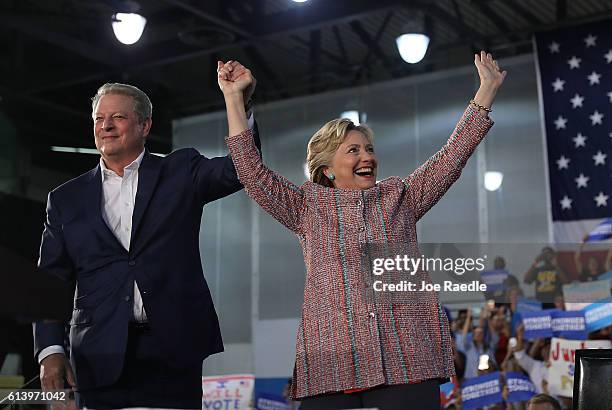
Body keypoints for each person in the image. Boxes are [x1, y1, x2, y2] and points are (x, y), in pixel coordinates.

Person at [218, 51, 506, 409]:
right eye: (352, 150)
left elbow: (452, 155)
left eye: (368, 148)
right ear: (327, 169)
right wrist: (234, 99)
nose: (366, 156)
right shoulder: (306, 207)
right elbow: (251, 172)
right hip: (331, 364)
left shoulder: (401, 197)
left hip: (406, 361)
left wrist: (487, 91)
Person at [33, 80, 259, 409]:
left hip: (173, 348)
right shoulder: (65, 199)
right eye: (99, 118)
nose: (106, 126)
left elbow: (243, 170)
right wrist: (50, 350)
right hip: (97, 354)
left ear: (145, 125)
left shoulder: (181, 170)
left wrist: (236, 100)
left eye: (118, 118)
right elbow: (50, 282)